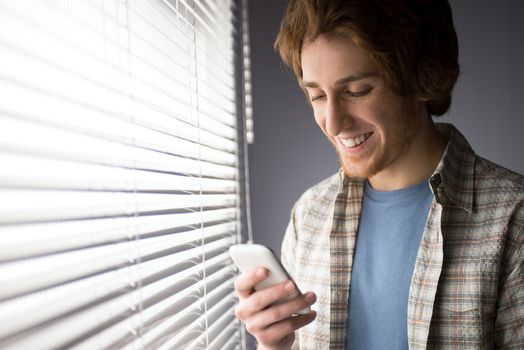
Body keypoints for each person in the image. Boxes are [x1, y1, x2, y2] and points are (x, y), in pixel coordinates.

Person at [233, 0, 524, 349]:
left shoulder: (512, 218)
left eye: (356, 91)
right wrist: (273, 345)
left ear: (422, 75)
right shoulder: (308, 215)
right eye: (317, 96)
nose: (333, 123)